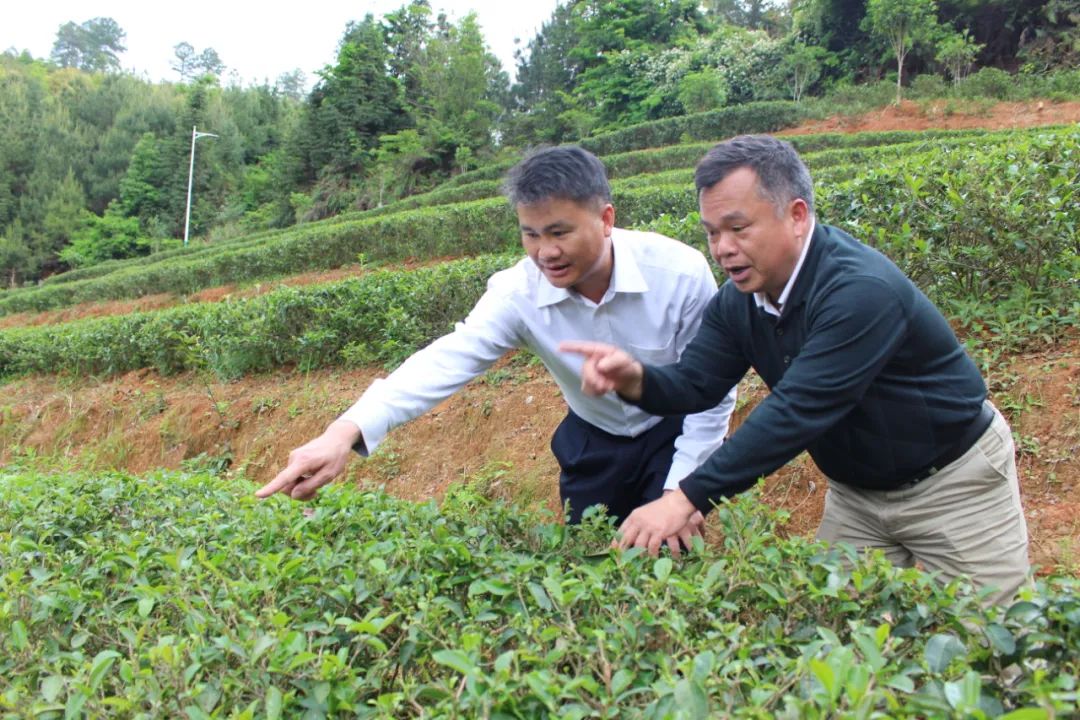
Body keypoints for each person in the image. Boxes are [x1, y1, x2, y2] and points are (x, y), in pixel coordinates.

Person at [564, 134, 1030, 604]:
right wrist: (635, 380)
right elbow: (694, 385)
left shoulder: (858, 291)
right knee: (837, 634)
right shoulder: (739, 302)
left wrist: (684, 498)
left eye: (738, 228)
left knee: (999, 638)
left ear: (797, 216)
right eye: (711, 232)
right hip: (858, 497)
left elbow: (797, 410)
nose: (722, 248)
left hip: (953, 483)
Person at [257, 146, 736, 547]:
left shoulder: (678, 272)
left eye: (559, 232)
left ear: (606, 218)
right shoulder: (518, 293)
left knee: (669, 553)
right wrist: (344, 433)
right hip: (595, 439)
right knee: (592, 558)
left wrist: (682, 492)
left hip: (673, 428)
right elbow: (446, 359)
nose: (544, 251)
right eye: (530, 233)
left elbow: (711, 390)